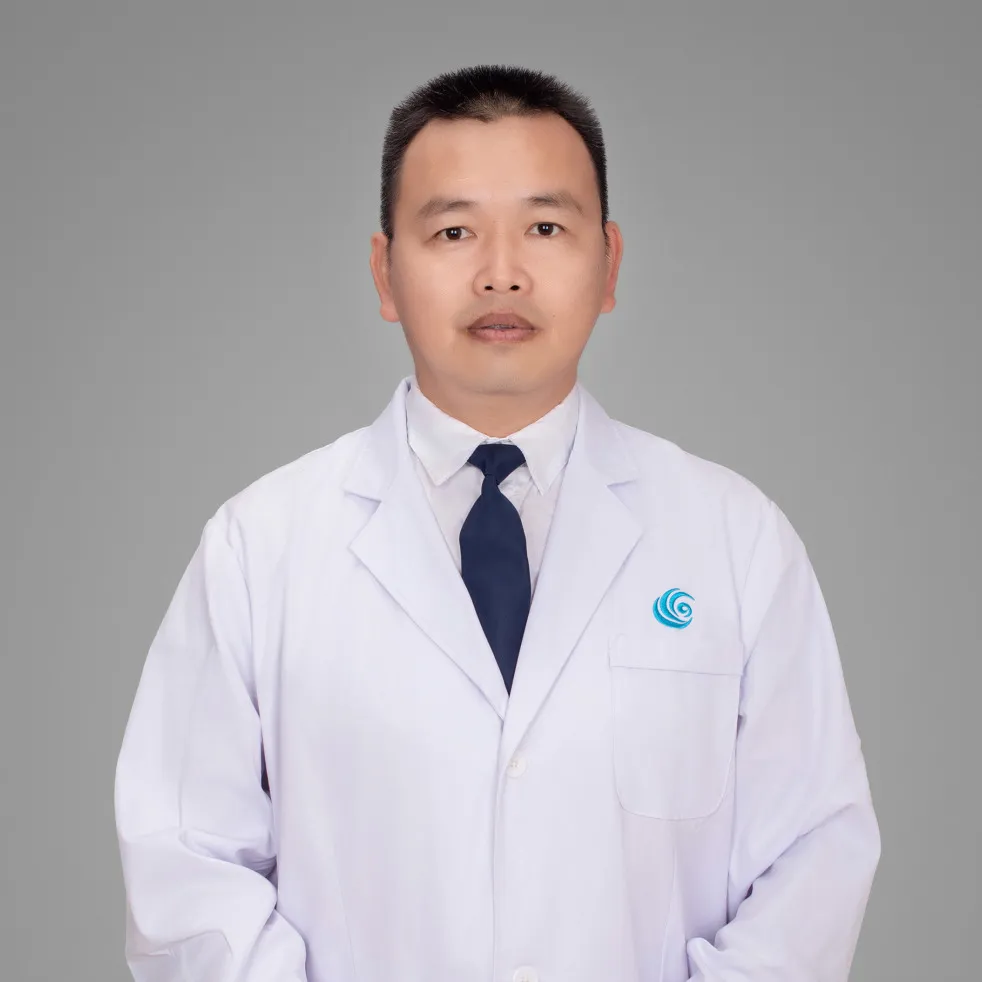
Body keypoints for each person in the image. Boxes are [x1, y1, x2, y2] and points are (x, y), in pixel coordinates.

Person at [114, 64, 880, 982]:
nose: (501, 273)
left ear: (609, 264)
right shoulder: (259, 547)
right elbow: (185, 867)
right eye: (453, 231)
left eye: (545, 227)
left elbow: (813, 854)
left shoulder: (735, 540)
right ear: (385, 272)